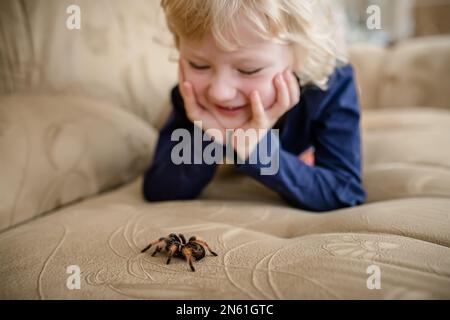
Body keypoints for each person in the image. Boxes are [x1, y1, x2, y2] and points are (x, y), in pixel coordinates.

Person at [143, 0, 367, 212]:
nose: (220, 93)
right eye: (199, 65)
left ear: (302, 55)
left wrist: (258, 151)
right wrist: (212, 133)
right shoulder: (193, 97)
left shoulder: (331, 86)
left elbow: (345, 192)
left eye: (248, 70)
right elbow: (159, 189)